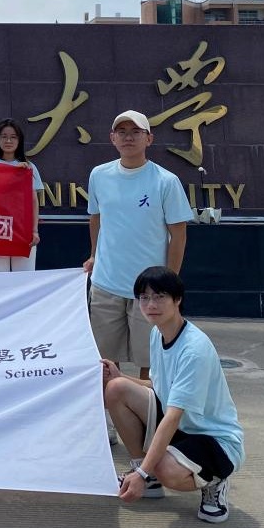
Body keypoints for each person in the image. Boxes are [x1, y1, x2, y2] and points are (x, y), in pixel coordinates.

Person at [103, 266, 244, 524]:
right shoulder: (158, 332)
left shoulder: (193, 350)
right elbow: (158, 386)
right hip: (182, 426)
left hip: (214, 438)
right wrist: (119, 376)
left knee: (164, 468)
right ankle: (148, 478)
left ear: (177, 299)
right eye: (144, 297)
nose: (150, 304)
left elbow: (173, 417)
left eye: (159, 297)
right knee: (115, 388)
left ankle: (215, 480)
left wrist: (144, 472)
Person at [84, 110, 193, 381]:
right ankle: (111, 406)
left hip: (149, 290)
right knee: (104, 363)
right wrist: (94, 255)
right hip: (106, 285)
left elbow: (178, 234)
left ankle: (145, 408)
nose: (128, 138)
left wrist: (169, 280)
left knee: (151, 362)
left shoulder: (166, 181)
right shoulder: (99, 175)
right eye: (121, 132)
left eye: (136, 132)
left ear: (149, 138)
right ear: (112, 138)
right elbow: (96, 219)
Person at [0, 118, 44, 272]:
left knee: (24, 279)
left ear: (19, 140)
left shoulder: (28, 167)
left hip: (22, 230)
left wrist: (34, 230)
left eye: (13, 137)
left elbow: (33, 201)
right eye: (4, 136)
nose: (8, 141)